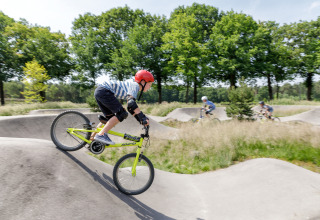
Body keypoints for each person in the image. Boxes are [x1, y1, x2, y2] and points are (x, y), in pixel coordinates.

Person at [92, 70, 154, 145]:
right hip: (105, 91)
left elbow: (130, 108)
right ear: (143, 82)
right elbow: (131, 103)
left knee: (110, 119)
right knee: (122, 114)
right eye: (149, 85)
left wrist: (139, 119)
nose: (149, 87)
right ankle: (101, 135)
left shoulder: (132, 86)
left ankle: (92, 138)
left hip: (100, 91)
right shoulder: (135, 86)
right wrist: (143, 117)